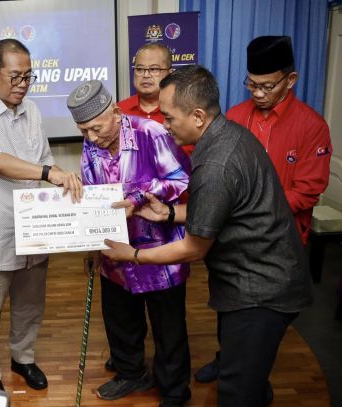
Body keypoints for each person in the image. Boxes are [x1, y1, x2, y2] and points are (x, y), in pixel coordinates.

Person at [102, 65, 313, 407]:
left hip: (261, 290)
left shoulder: (216, 164)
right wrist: (168, 212)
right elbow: (223, 210)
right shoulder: (228, 134)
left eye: (169, 118)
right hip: (263, 278)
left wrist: (134, 256)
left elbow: (192, 248)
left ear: (198, 116)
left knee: (236, 393)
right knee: (250, 379)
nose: (165, 126)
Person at [194, 35, 332, 385]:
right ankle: (227, 359)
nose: (257, 93)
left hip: (278, 248)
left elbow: (308, 191)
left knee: (259, 327)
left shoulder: (311, 126)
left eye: (267, 86)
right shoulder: (235, 118)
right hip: (231, 245)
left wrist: (248, 204)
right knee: (229, 311)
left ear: (292, 79)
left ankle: (251, 377)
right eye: (251, 84)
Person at [0, 38, 82, 392]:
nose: (22, 85)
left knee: (30, 305)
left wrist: (65, 180)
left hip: (34, 225)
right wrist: (48, 173)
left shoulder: (33, 111)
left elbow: (44, 159)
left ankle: (23, 358)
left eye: (28, 77)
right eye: (15, 77)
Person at [66, 80, 192, 406]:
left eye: (95, 128)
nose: (91, 138)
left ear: (117, 113)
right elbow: (95, 198)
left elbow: (180, 179)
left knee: (169, 328)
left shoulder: (151, 133)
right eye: (83, 131)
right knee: (121, 320)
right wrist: (93, 246)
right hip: (115, 253)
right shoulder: (92, 143)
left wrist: (137, 196)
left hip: (159, 252)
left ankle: (174, 390)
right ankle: (130, 374)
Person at [117, 43, 193, 156]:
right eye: (140, 69)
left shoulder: (185, 110)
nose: (146, 75)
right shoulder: (119, 111)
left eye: (154, 69)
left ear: (170, 74)